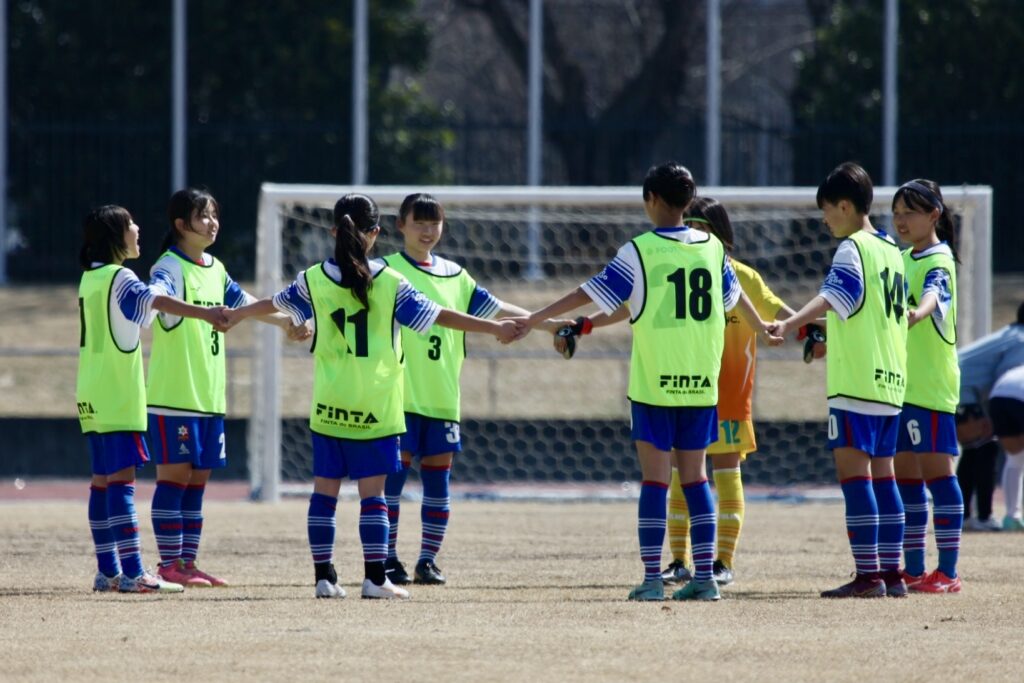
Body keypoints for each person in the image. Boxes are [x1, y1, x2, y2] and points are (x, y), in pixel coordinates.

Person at [224, 193, 522, 600]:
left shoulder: (313, 278)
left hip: (329, 405)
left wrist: (236, 314)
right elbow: (439, 316)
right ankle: (374, 577)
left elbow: (272, 303)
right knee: (374, 498)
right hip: (378, 407)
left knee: (323, 495)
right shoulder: (389, 282)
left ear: (333, 231)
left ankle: (324, 579)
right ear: (376, 233)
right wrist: (495, 328)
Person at [517, 162, 781, 602]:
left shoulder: (640, 250)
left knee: (656, 482)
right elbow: (737, 298)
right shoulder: (712, 249)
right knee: (697, 479)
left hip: (655, 384)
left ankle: (653, 579)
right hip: (700, 385)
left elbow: (589, 291)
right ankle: (706, 578)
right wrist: (763, 329)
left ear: (652, 200)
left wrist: (534, 317)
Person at [555, 197, 823, 589]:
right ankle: (680, 560)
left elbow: (777, 312)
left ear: (721, 233)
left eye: (703, 227)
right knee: (682, 477)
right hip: (687, 387)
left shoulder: (741, 276)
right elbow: (630, 305)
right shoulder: (672, 262)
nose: (695, 233)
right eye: (691, 224)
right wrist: (586, 325)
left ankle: (722, 561)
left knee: (725, 475)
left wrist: (812, 329)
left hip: (728, 394)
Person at [379, 193, 566, 586]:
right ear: (401, 226)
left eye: (435, 223)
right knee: (391, 481)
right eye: (419, 223)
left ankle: (427, 560)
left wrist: (551, 325)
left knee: (438, 483)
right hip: (398, 396)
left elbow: (498, 309)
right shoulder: (385, 271)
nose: (428, 231)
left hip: (444, 397)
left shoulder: (455, 275)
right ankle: (388, 557)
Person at [146, 187, 304, 589]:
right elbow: (156, 300)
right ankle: (167, 565)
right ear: (181, 225)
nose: (212, 222)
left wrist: (284, 320)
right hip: (174, 397)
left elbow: (240, 304)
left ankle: (187, 562)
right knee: (173, 480)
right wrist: (204, 313)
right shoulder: (169, 266)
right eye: (203, 216)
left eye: (215, 214)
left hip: (210, 397)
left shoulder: (214, 267)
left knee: (197, 483)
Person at [770, 162, 908, 599]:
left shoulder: (854, 249)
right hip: (890, 382)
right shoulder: (891, 250)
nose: (825, 218)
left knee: (856, 479)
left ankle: (867, 577)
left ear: (846, 206)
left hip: (856, 384)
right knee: (885, 478)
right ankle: (892, 574)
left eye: (827, 210)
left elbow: (836, 297)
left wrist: (790, 322)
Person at [77, 205, 227, 593]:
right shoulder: (120, 276)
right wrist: (206, 314)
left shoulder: (89, 278)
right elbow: (156, 302)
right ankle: (132, 572)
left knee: (101, 484)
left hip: (90, 392)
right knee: (122, 484)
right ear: (116, 235)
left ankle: (108, 570)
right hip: (118, 394)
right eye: (130, 224)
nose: (137, 228)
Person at [890, 180, 964, 594]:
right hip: (901, 385)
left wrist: (917, 312)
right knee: (907, 481)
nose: (901, 220)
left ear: (934, 214)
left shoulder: (940, 258)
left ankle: (949, 572)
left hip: (932, 386)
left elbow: (935, 295)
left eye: (910, 212)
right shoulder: (900, 258)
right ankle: (915, 568)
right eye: (897, 213)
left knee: (938, 476)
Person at [958, 301, 1024, 531]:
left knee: (973, 452)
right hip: (965, 390)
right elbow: (1007, 377)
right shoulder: (1021, 340)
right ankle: (983, 517)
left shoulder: (1010, 333)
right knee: (986, 450)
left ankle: (965, 515)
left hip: (954, 384)